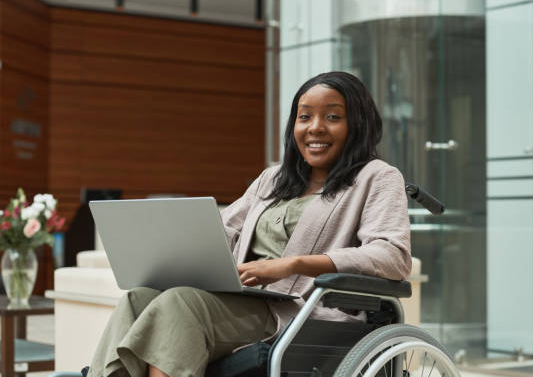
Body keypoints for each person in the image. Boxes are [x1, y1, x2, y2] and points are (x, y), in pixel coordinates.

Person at [88, 71, 412, 377]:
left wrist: (293, 265)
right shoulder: (273, 179)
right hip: (246, 301)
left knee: (179, 304)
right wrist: (173, 251)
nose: (314, 127)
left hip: (301, 311)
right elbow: (224, 231)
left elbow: (392, 256)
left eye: (332, 116)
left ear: (357, 124)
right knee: (139, 296)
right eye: (304, 116)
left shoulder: (376, 177)